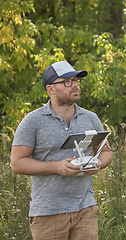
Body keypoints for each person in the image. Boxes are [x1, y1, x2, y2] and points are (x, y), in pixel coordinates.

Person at [10, 60, 113, 240]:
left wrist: (98, 163)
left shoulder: (90, 118)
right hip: (48, 212)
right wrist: (56, 167)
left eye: (75, 80)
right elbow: (17, 163)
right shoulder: (33, 121)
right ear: (51, 89)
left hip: (85, 209)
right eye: (67, 81)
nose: (75, 85)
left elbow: (106, 152)